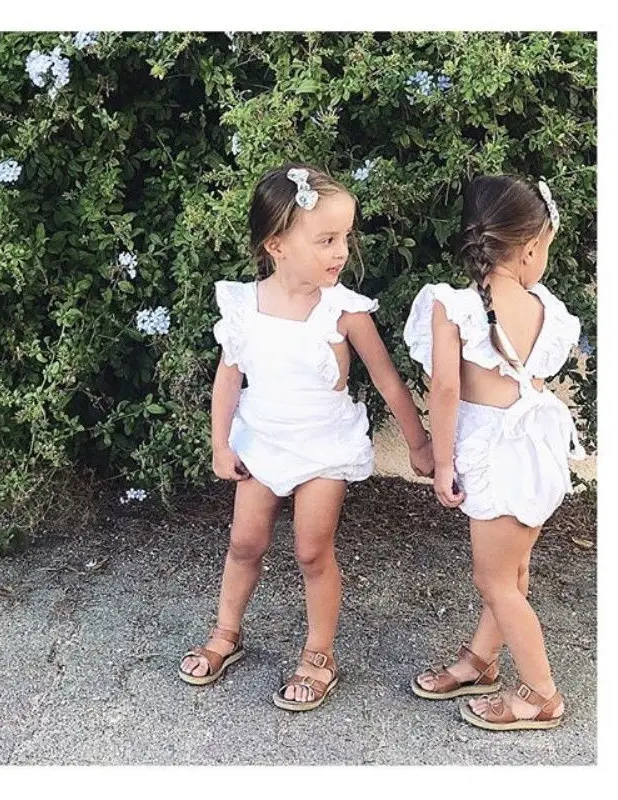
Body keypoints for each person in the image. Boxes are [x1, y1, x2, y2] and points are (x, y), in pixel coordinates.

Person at [178, 164, 433, 711]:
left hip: (323, 447)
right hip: (262, 441)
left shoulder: (344, 311)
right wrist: (220, 444)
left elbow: (387, 381)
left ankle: (320, 653)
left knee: (312, 550)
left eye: (344, 238)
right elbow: (229, 377)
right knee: (244, 543)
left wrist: (419, 443)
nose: (341, 252)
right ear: (277, 245)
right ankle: (226, 631)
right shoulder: (245, 305)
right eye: (326, 240)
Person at [403, 174, 585, 730]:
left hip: (493, 454)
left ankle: (541, 693)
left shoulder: (452, 306)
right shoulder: (545, 307)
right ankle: (481, 661)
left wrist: (442, 461)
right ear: (529, 248)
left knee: (495, 580)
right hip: (533, 453)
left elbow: (445, 389)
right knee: (513, 570)